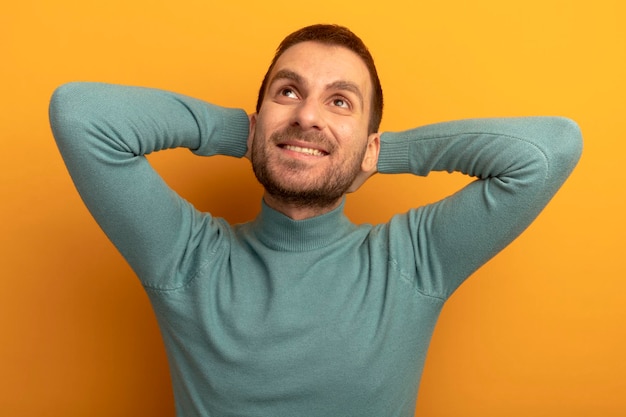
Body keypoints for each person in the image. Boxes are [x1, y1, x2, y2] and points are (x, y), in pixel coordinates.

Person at [49, 24, 582, 417]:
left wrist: (374, 153)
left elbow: (549, 151)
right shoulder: (186, 255)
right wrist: (250, 133)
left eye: (340, 102)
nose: (307, 116)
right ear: (259, 119)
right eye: (289, 92)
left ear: (370, 141)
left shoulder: (413, 260)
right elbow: (80, 115)